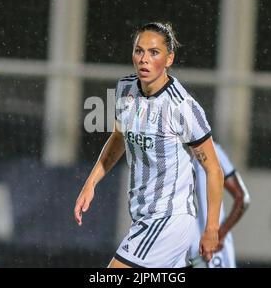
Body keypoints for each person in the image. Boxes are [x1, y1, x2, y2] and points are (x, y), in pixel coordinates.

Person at [74, 22, 224, 268]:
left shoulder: (182, 107)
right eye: (139, 51)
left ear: (169, 59)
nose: (144, 59)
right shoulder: (126, 89)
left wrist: (211, 228)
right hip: (143, 216)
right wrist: (90, 183)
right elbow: (118, 138)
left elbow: (214, 170)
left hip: (168, 219)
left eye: (154, 53)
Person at [190, 142, 250, 268]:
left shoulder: (212, 150)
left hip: (211, 254)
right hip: (179, 251)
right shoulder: (168, 149)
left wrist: (217, 236)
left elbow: (242, 197)